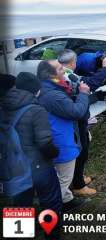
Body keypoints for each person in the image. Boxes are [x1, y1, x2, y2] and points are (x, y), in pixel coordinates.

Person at [1, 72, 63, 237]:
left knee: (20, 206)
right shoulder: (36, 110)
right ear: (36, 90)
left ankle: (19, 234)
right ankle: (52, 235)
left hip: (14, 166)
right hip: (38, 166)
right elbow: (45, 143)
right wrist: (55, 153)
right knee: (51, 203)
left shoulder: (3, 107)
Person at [37, 60, 90, 212]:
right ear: (51, 75)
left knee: (60, 175)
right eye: (60, 68)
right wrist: (83, 94)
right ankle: (54, 210)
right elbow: (76, 112)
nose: (64, 70)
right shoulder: (53, 95)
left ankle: (66, 200)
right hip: (61, 140)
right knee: (63, 178)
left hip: (60, 135)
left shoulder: (50, 87)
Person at [57, 49, 106, 197]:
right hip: (76, 119)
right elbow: (89, 84)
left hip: (75, 117)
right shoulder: (67, 75)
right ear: (73, 62)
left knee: (83, 146)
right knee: (81, 150)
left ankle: (78, 178)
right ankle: (78, 185)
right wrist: (105, 68)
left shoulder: (62, 73)